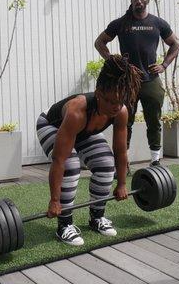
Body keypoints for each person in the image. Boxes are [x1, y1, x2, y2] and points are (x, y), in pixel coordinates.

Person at [36, 55, 142, 246]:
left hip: (84, 132)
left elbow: (120, 151)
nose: (115, 107)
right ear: (98, 92)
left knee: (106, 164)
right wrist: (54, 200)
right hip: (52, 125)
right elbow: (59, 160)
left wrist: (122, 184)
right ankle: (65, 225)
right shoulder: (78, 111)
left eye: (120, 102)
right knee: (70, 164)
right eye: (110, 101)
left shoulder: (120, 111)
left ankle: (97, 217)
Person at [95, 0, 179, 167]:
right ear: (131, 0)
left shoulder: (158, 23)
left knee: (154, 121)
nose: (139, 1)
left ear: (148, 1)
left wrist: (164, 65)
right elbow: (99, 42)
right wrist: (111, 60)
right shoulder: (120, 23)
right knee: (124, 122)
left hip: (151, 81)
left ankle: (155, 160)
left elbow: (175, 44)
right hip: (127, 83)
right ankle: (122, 161)